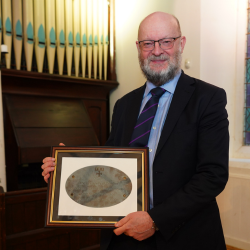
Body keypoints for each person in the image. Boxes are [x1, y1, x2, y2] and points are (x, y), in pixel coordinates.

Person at [42, 12, 229, 250]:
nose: (157, 51)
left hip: (183, 236)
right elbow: (109, 166)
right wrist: (66, 169)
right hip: (125, 235)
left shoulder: (208, 98)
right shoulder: (124, 104)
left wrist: (155, 220)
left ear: (181, 43)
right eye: (148, 43)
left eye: (166, 41)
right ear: (138, 48)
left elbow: (213, 175)